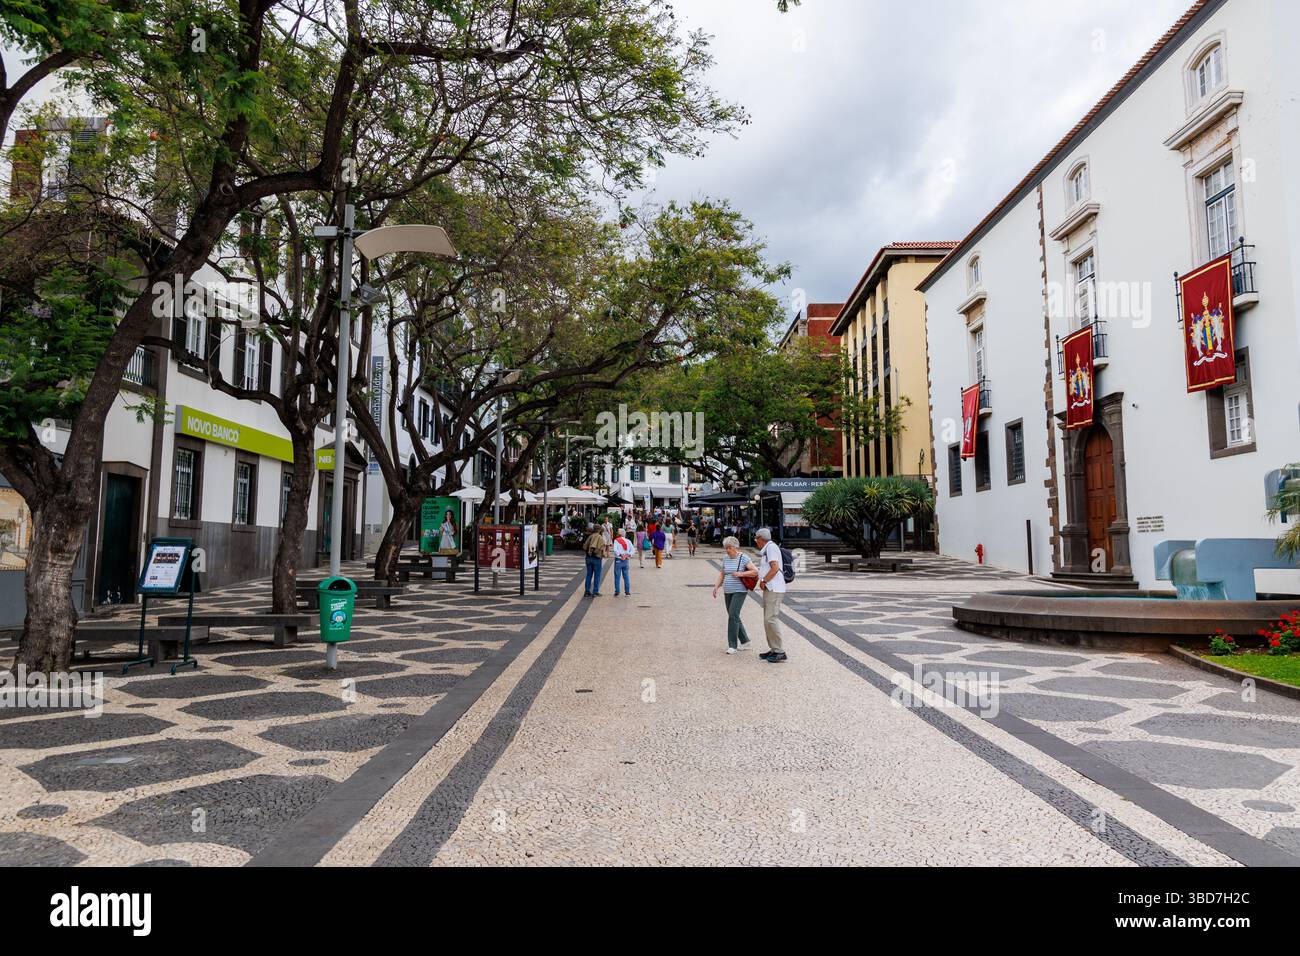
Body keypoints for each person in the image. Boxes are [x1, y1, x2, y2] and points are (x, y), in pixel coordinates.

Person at [711, 536, 756, 654]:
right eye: (726, 548)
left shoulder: (744, 557)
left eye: (729, 548)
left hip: (739, 590)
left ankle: (732, 645)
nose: (727, 550)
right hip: (728, 591)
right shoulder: (726, 558)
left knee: (733, 615)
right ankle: (746, 641)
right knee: (734, 616)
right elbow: (722, 574)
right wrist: (716, 586)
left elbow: (755, 571)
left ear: (735, 548)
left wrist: (741, 574)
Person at [753, 527, 787, 662]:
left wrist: (764, 580)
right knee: (767, 620)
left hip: (774, 588)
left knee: (770, 619)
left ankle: (779, 651)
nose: (756, 541)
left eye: (756, 539)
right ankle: (773, 649)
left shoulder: (771, 548)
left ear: (761, 539)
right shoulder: (767, 548)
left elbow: (774, 568)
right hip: (770, 588)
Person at [583, 525, 608, 597]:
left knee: (589, 575)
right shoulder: (600, 537)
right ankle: (595, 591)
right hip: (597, 558)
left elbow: (584, 546)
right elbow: (602, 548)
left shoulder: (590, 536)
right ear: (599, 530)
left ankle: (587, 591)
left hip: (588, 558)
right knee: (597, 575)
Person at [611, 526, 634, 596]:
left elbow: (615, 549)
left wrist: (621, 555)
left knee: (617, 576)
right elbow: (632, 550)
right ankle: (627, 592)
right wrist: (627, 555)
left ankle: (617, 591)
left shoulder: (616, 540)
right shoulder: (628, 541)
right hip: (626, 560)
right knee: (626, 576)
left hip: (618, 559)